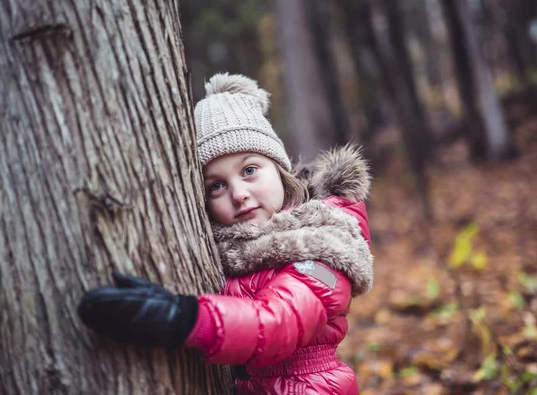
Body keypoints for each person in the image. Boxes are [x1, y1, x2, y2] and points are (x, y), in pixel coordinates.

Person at [78, 73, 373, 394]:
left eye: (249, 171)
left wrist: (186, 319)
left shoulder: (322, 248)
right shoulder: (234, 250)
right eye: (216, 185)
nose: (239, 194)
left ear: (280, 169)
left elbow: (278, 322)